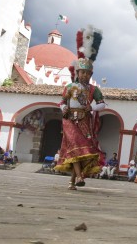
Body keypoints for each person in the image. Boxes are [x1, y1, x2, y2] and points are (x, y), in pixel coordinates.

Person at [54, 56, 106, 190]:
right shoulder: (70, 87)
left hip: (85, 120)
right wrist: (64, 108)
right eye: (82, 72)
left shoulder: (94, 90)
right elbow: (62, 102)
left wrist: (92, 107)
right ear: (77, 73)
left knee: (82, 150)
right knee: (75, 145)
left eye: (88, 73)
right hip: (69, 120)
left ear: (91, 74)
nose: (85, 75)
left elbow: (102, 105)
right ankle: (79, 177)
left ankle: (73, 181)